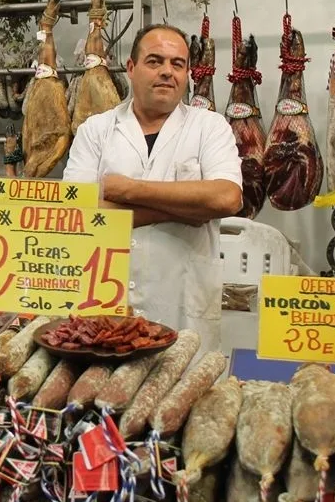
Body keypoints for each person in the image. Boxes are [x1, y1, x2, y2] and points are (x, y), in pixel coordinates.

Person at [63, 23, 243, 350]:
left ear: (187, 73)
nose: (166, 72)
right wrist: (186, 209)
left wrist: (127, 190)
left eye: (178, 64)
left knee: (185, 392)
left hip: (183, 307)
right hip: (106, 305)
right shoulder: (96, 130)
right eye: (154, 61)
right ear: (131, 68)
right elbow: (78, 213)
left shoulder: (210, 127)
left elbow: (227, 198)